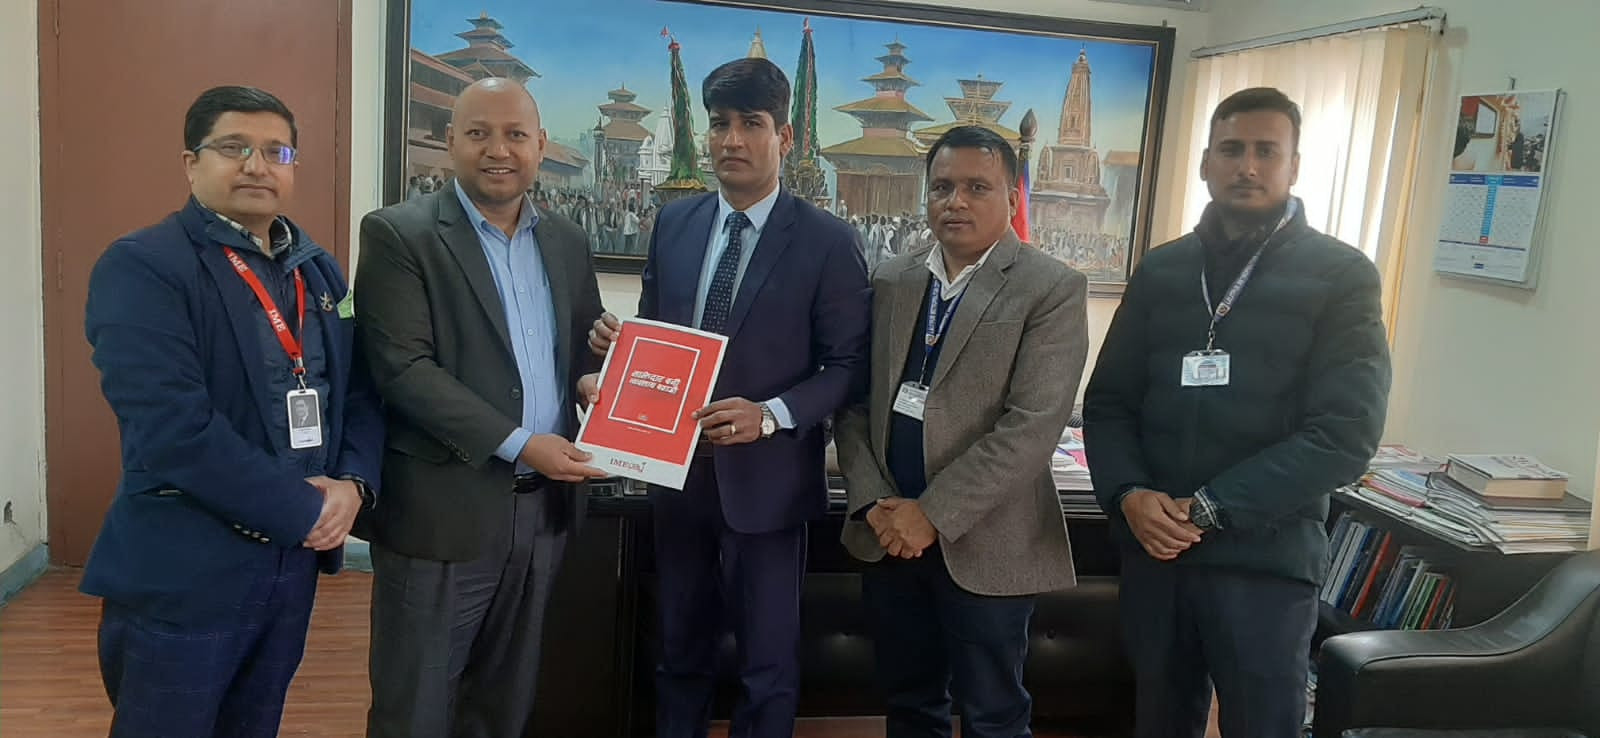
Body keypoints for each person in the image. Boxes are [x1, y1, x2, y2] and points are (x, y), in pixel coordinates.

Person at [1083, 87, 1391, 738]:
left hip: (1265, 563)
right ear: (1205, 163)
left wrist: (1212, 507)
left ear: (1293, 166)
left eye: (1265, 151)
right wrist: (1128, 493)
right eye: (1231, 150)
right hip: (1157, 556)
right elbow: (1108, 403)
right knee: (1158, 721)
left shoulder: (1341, 276)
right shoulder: (1163, 270)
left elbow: (1345, 434)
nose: (1247, 166)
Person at [80, 85, 383, 738]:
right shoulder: (143, 266)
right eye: (234, 147)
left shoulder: (320, 273)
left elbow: (360, 391)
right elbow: (171, 428)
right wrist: (307, 510)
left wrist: (354, 485)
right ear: (191, 163)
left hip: (290, 571)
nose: (257, 165)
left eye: (276, 151)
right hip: (186, 572)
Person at [586, 57, 869, 738]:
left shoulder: (828, 242)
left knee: (766, 664)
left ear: (785, 137)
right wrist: (617, 350)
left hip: (769, 486)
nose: (731, 140)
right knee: (678, 650)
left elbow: (847, 368)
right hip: (676, 477)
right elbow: (658, 336)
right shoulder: (675, 224)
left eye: (751, 123)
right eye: (719, 124)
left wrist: (770, 415)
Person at [354, 78, 608, 738]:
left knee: (504, 704)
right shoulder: (399, 234)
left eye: (516, 135)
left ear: (541, 145)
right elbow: (403, 370)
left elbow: (577, 353)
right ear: (450, 143)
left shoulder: (566, 240)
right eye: (478, 134)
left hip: (543, 514)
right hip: (443, 514)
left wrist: (591, 380)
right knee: (416, 709)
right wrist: (522, 443)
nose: (499, 150)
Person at [833, 125, 1088, 738]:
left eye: (977, 187)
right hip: (889, 537)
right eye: (942, 187)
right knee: (909, 705)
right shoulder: (891, 280)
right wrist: (874, 502)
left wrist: (931, 515)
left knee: (993, 716)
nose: (956, 201)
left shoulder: (1050, 288)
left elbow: (1031, 427)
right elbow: (854, 403)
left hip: (987, 542)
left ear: (1011, 197)